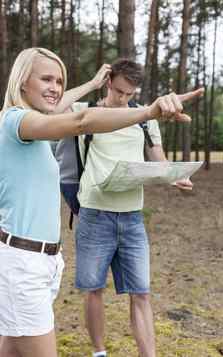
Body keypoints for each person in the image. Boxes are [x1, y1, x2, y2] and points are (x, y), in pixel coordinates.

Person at [0, 48, 191, 357]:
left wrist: (89, 84)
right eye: (46, 79)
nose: (55, 88)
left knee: (10, 348)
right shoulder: (17, 121)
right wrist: (148, 111)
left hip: (42, 260)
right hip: (24, 262)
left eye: (59, 80)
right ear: (22, 81)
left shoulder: (34, 124)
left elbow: (59, 108)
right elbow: (81, 121)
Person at [68, 59, 204, 357]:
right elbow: (50, 110)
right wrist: (90, 83)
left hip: (132, 218)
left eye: (130, 94)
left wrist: (176, 177)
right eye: (118, 91)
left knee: (141, 291)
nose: (123, 99)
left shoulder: (145, 119)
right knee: (93, 289)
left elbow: (159, 160)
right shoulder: (83, 112)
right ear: (108, 82)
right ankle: (99, 352)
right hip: (94, 214)